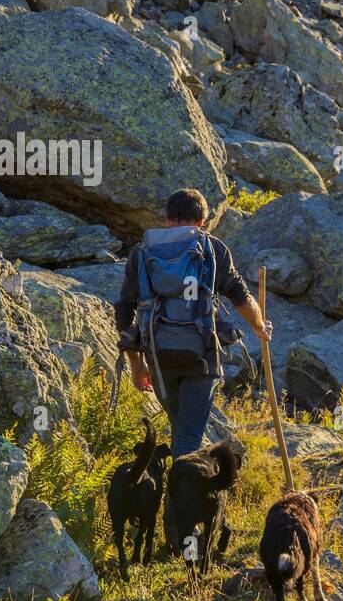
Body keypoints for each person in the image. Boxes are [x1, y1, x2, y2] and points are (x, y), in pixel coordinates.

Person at [114, 189, 272, 458]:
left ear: (166, 218)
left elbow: (124, 312)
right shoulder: (212, 248)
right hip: (202, 356)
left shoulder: (142, 252)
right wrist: (260, 327)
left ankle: (176, 491)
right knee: (188, 440)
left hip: (159, 356)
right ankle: (181, 496)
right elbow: (241, 297)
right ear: (201, 222)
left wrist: (137, 365)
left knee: (181, 431)